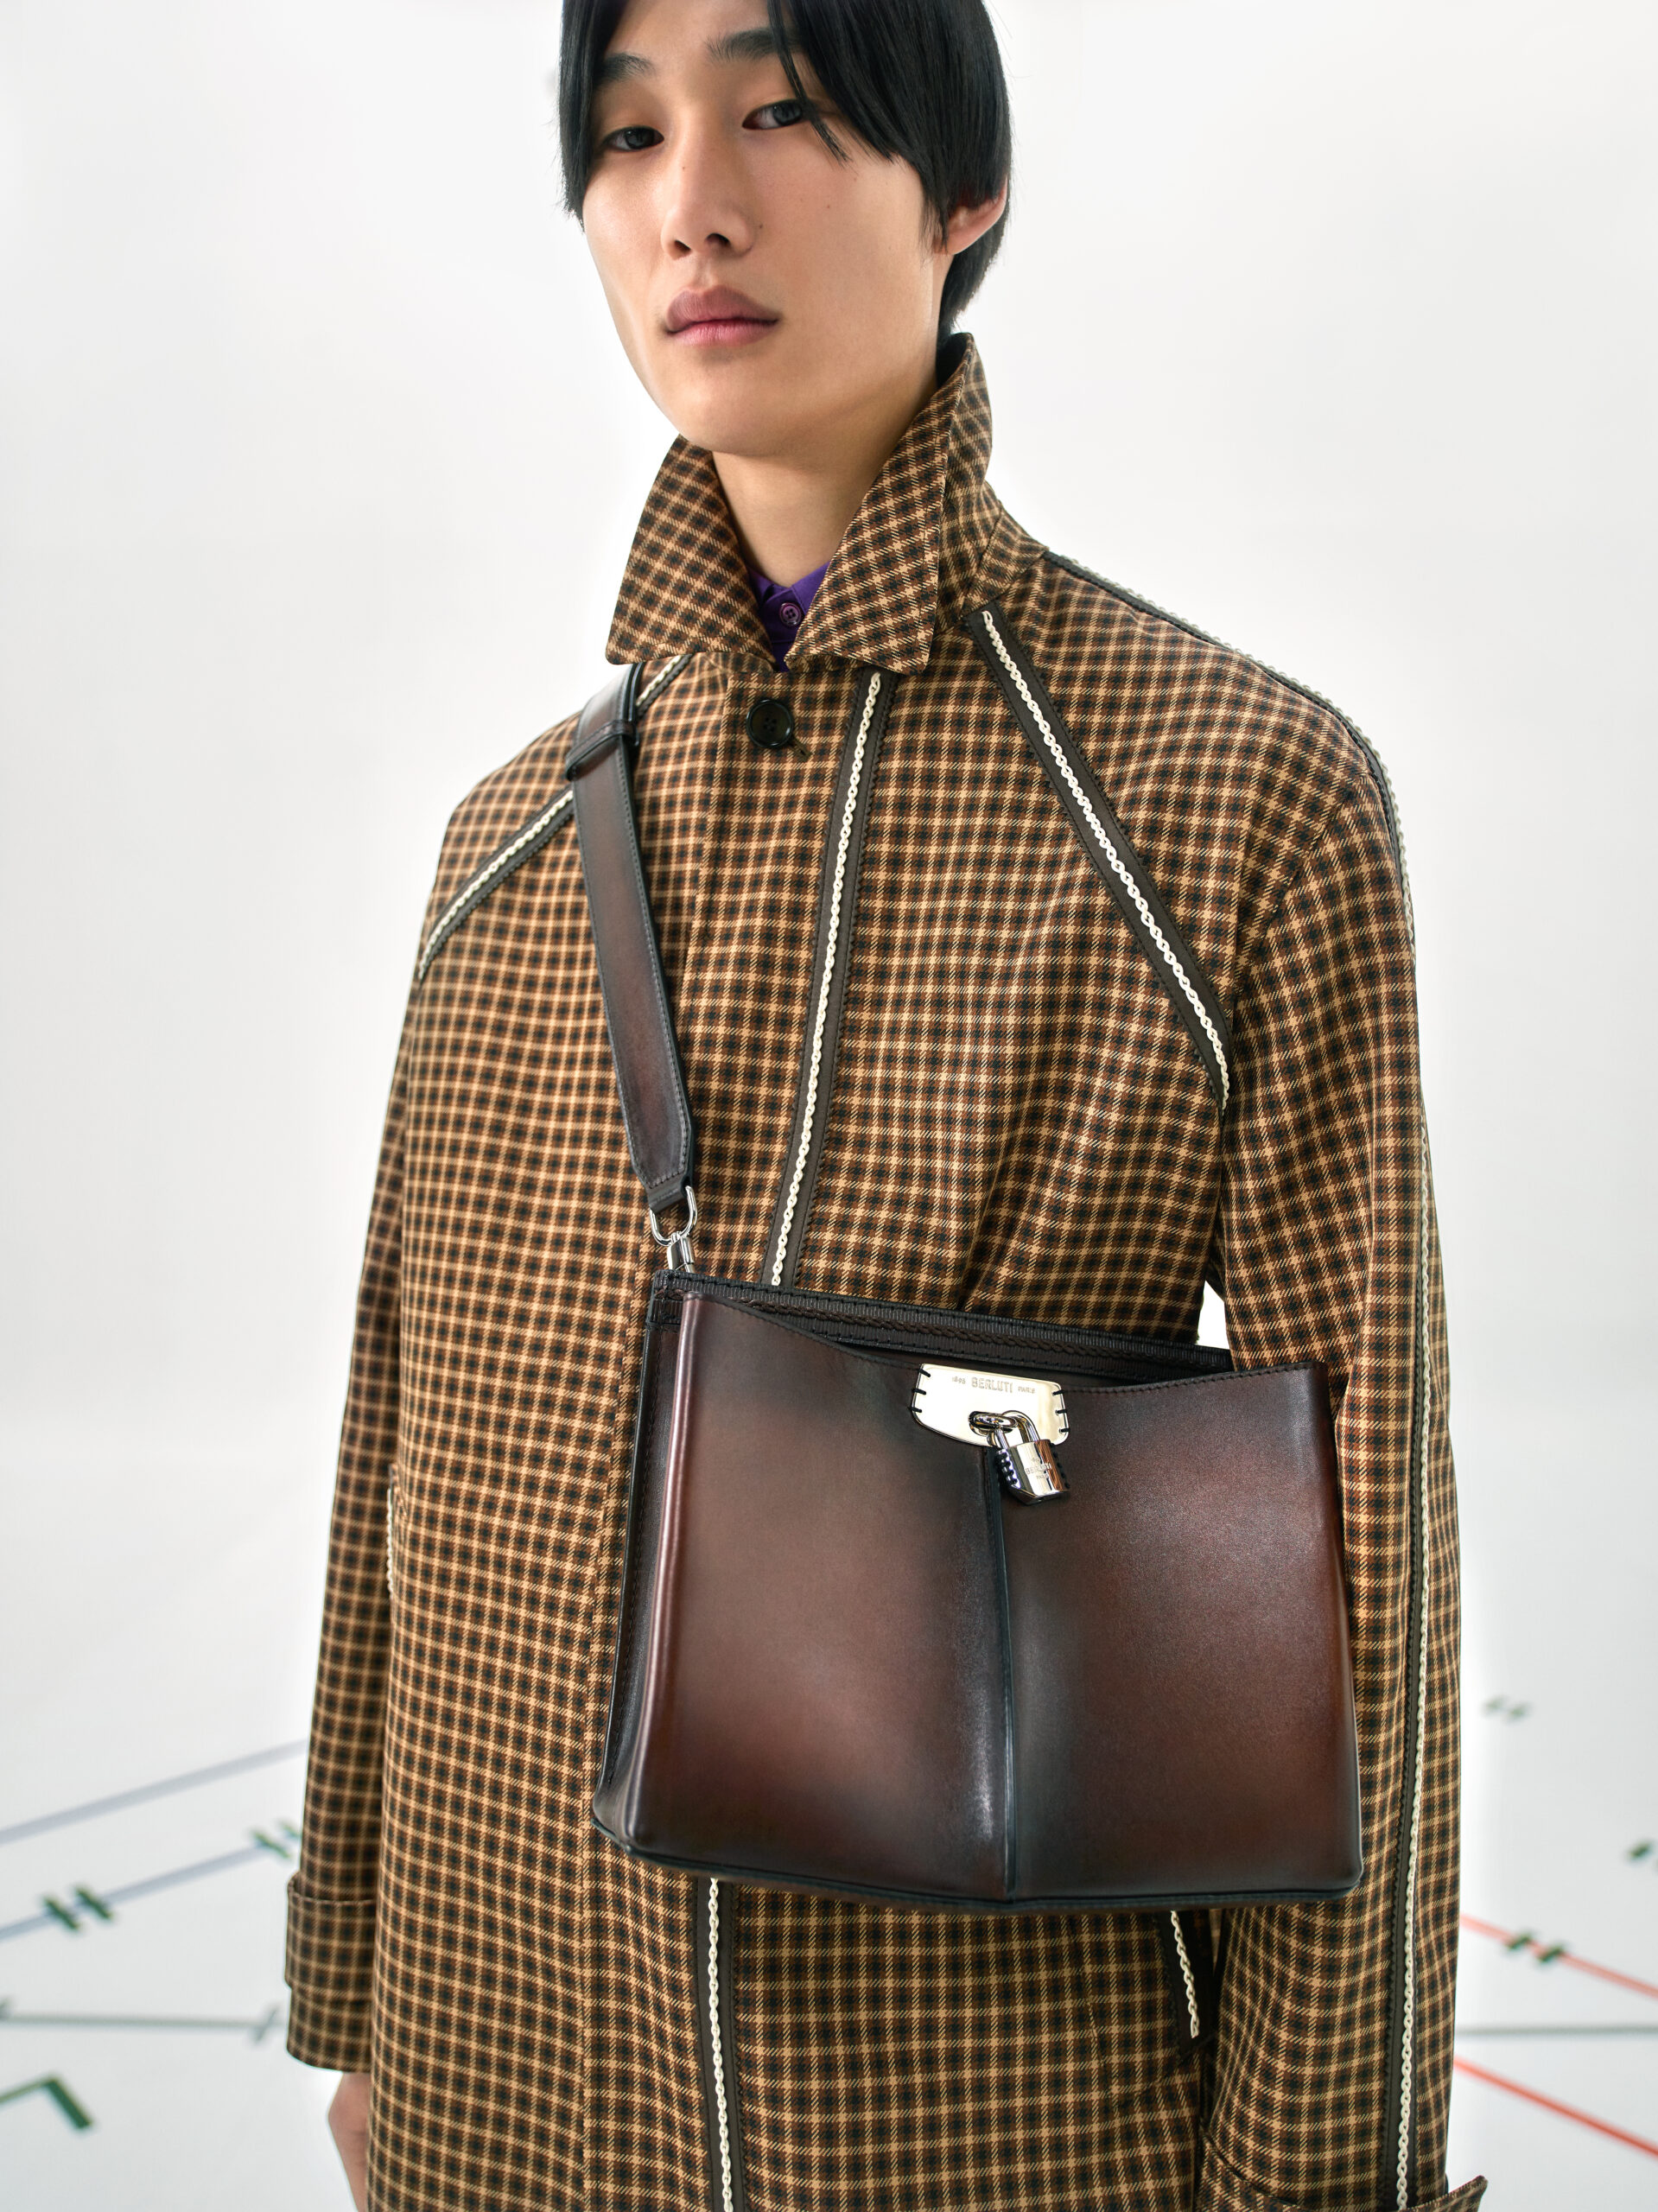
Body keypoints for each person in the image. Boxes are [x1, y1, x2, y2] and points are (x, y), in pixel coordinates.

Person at [285, 3, 1483, 2207]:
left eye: (783, 110)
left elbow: (1362, 1572)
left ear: (965, 191)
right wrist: (368, 2011)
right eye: (625, 135)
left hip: (975, 2117)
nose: (692, 204)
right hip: (502, 2075)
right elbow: (401, 1457)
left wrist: (1318, 2175)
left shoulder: (1233, 799)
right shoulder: (506, 852)